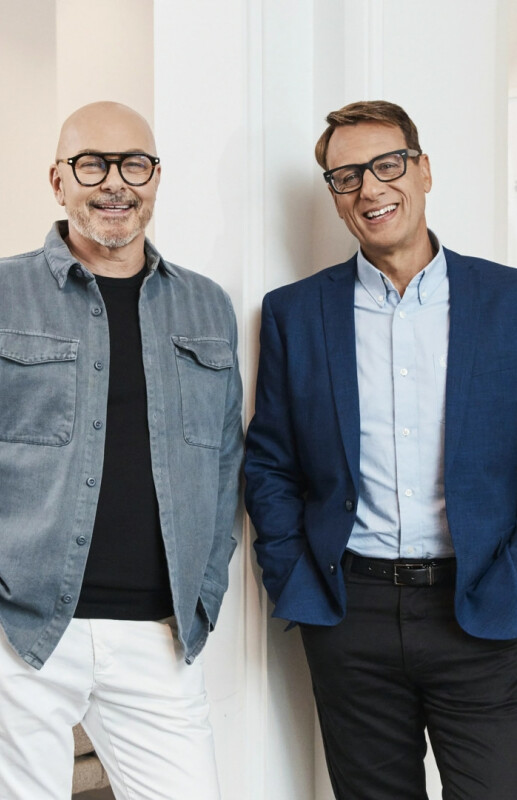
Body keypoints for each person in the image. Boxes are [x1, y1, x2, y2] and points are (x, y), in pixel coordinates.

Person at [244, 100, 517, 799]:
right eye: (346, 177)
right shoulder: (294, 313)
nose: (369, 189)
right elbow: (270, 462)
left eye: (387, 165)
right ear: (335, 196)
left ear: (423, 171)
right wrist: (294, 578)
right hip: (349, 616)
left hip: (483, 612)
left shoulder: (506, 300)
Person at [0, 101, 243, 800]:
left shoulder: (206, 306)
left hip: (159, 634)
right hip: (19, 625)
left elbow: (224, 460)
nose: (115, 183)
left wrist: (205, 591)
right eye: (92, 164)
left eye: (134, 164)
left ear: (155, 178)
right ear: (57, 181)